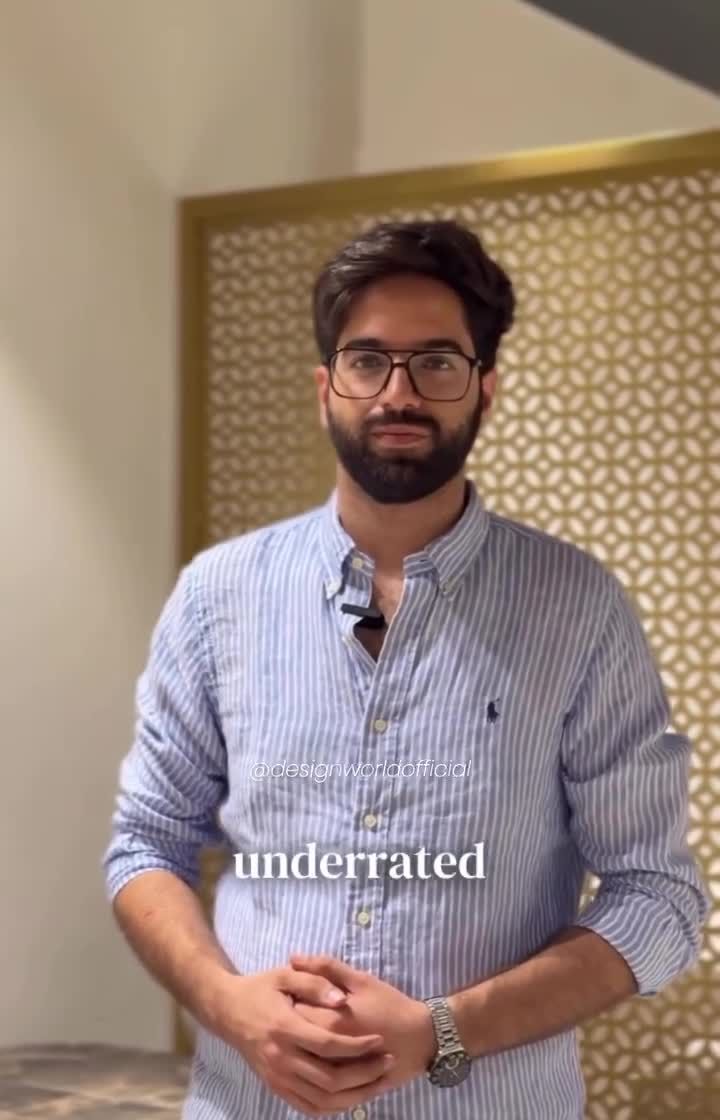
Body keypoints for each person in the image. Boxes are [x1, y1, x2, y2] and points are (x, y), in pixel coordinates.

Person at [102, 219, 710, 1120]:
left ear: (485, 390)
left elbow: (657, 898)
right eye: (367, 361)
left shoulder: (578, 608)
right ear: (325, 388)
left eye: (435, 362)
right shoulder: (216, 596)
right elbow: (146, 845)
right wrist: (230, 1008)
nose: (398, 393)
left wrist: (440, 1033)